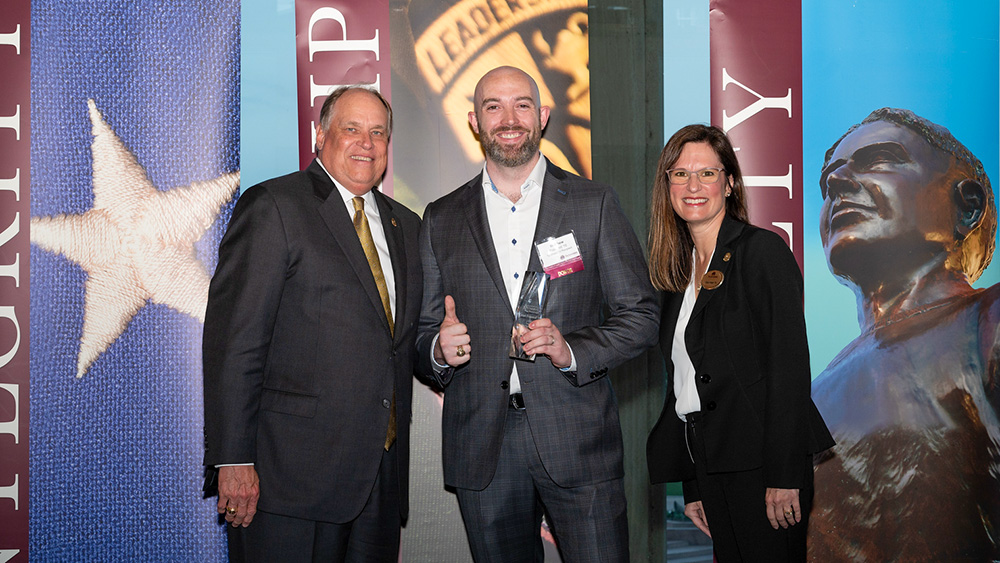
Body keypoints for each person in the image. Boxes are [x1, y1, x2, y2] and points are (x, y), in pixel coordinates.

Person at [415, 66, 659, 562]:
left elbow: (642, 316)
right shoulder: (441, 218)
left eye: (522, 104)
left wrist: (572, 350)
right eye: (493, 107)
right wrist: (438, 350)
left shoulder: (594, 204)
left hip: (578, 441)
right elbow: (421, 336)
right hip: (482, 446)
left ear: (543, 116)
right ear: (473, 122)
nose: (509, 118)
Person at [202, 86, 422, 562]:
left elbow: (400, 344)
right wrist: (234, 458)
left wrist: (440, 349)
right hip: (288, 483)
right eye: (351, 129)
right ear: (318, 134)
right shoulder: (274, 207)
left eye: (378, 132)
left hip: (378, 483)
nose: (366, 142)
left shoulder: (407, 225)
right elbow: (234, 343)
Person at [808, 108, 1000, 561]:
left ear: (966, 205)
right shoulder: (815, 390)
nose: (837, 185)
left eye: (878, 159)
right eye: (828, 181)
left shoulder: (985, 323)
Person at [645, 124, 834, 562]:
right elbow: (684, 382)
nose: (693, 186)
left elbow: (788, 370)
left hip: (763, 467)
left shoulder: (761, 251)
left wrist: (785, 475)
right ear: (667, 186)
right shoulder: (674, 276)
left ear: (729, 184)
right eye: (679, 174)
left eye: (707, 174)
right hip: (709, 462)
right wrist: (692, 481)